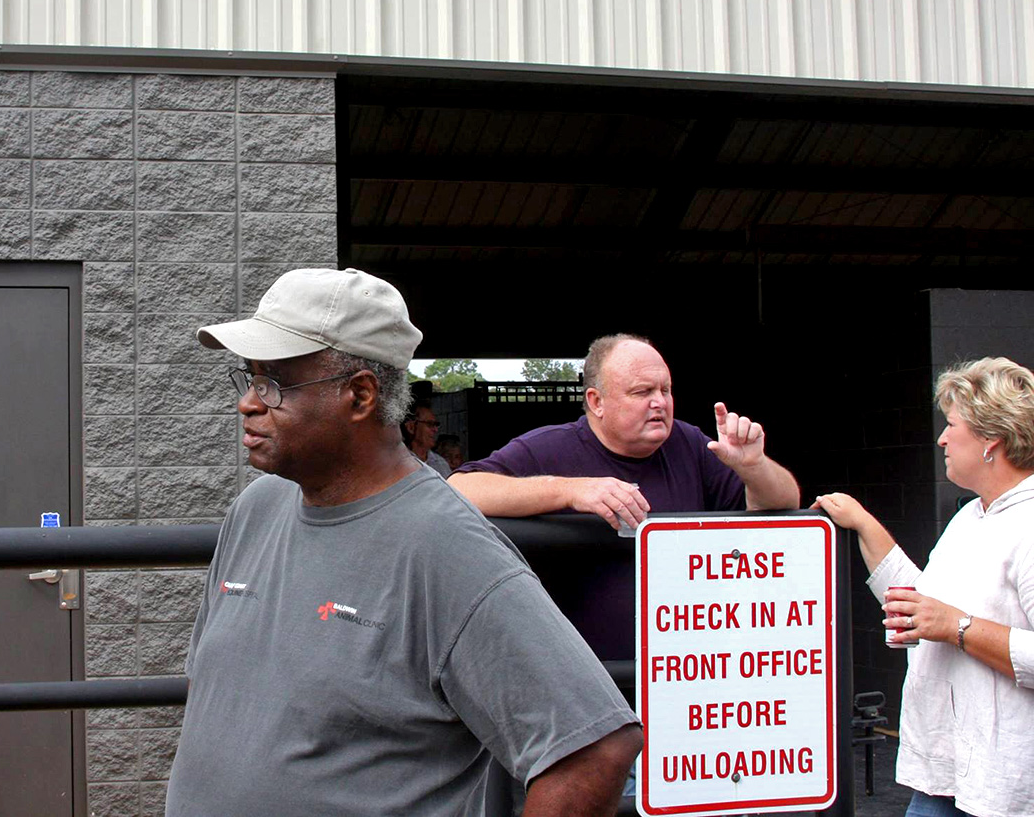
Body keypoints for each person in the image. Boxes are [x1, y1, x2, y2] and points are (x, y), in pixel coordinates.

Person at [165, 268, 642, 817]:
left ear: (361, 395)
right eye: (248, 378)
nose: (249, 402)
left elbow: (596, 749)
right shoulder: (256, 509)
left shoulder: (446, 548)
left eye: (273, 382)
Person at [448, 333, 800, 659]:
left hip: (681, 673)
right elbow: (460, 489)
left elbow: (784, 504)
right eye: (642, 392)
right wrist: (572, 491)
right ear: (596, 401)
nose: (659, 402)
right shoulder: (548, 447)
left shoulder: (690, 444)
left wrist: (753, 466)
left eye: (666, 389)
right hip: (581, 677)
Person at [815, 357, 1034, 817]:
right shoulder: (972, 516)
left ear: (991, 439)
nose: (942, 438)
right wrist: (861, 523)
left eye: (952, 425)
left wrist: (957, 626)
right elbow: (923, 606)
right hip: (945, 778)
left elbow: (946, 620)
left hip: (1005, 789)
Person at [404, 400, 452, 476]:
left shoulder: (441, 463)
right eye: (430, 424)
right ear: (411, 427)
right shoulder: (398, 463)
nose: (435, 430)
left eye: (436, 425)